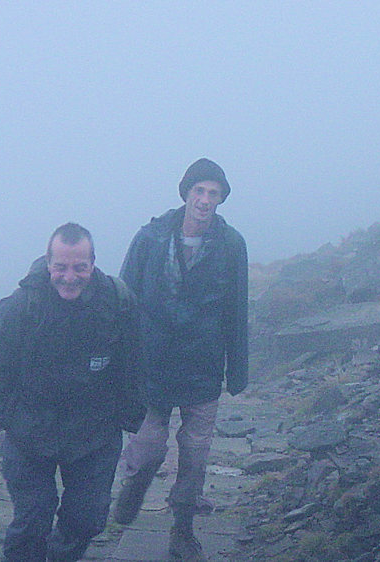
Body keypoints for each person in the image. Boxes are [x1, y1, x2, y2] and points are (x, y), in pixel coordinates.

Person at [0, 223, 144, 562]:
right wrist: (9, 417)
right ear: (48, 263)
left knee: (88, 519)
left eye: (80, 267)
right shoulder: (23, 305)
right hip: (30, 432)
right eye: (61, 267)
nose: (70, 277)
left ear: (93, 263)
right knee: (33, 519)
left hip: (94, 434)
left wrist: (129, 416)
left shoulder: (117, 304)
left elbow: (135, 365)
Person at [113, 158, 248, 561]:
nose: (205, 201)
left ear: (221, 199)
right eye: (199, 191)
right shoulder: (151, 238)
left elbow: (236, 309)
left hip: (203, 368)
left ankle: (183, 530)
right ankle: (135, 487)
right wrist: (115, 359)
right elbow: (123, 299)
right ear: (186, 194)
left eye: (214, 194)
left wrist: (236, 371)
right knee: (149, 446)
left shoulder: (231, 245)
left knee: (195, 455)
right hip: (151, 364)